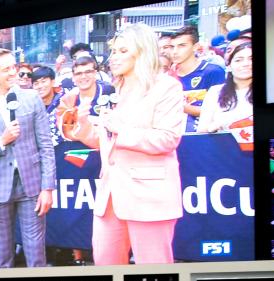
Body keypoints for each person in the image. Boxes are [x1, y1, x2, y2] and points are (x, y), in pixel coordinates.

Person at [67, 22, 185, 265]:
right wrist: (81, 126)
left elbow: (167, 138)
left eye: (123, 51)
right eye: (113, 51)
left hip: (148, 195)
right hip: (110, 196)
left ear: (142, 52)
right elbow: (106, 142)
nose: (114, 57)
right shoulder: (112, 89)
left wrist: (120, 128)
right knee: (105, 267)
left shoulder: (166, 87)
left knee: (154, 272)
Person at [0, 48, 56, 268]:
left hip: (32, 186)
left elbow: (46, 145)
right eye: (6, 69)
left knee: (36, 256)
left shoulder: (32, 98)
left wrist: (48, 188)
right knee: (3, 258)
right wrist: (1, 141)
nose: (13, 72)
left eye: (14, 67)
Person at [170, 26, 225, 132]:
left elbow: (220, 111)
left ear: (195, 46)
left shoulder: (212, 71)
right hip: (173, 139)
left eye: (182, 46)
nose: (175, 51)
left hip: (203, 137)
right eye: (172, 47)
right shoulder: (167, 76)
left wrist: (181, 107)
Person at [197, 42, 253, 133]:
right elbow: (202, 130)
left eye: (251, 59)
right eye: (239, 60)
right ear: (229, 66)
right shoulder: (215, 92)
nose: (246, 64)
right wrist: (215, 126)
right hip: (225, 145)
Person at [56, 55, 113, 127]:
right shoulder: (67, 100)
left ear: (95, 73)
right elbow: (63, 126)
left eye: (88, 72)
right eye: (79, 73)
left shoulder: (108, 91)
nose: (83, 76)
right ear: (73, 77)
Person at [30, 66, 63, 147]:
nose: (40, 86)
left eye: (43, 81)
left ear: (52, 82)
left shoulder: (64, 102)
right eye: (36, 83)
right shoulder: (31, 107)